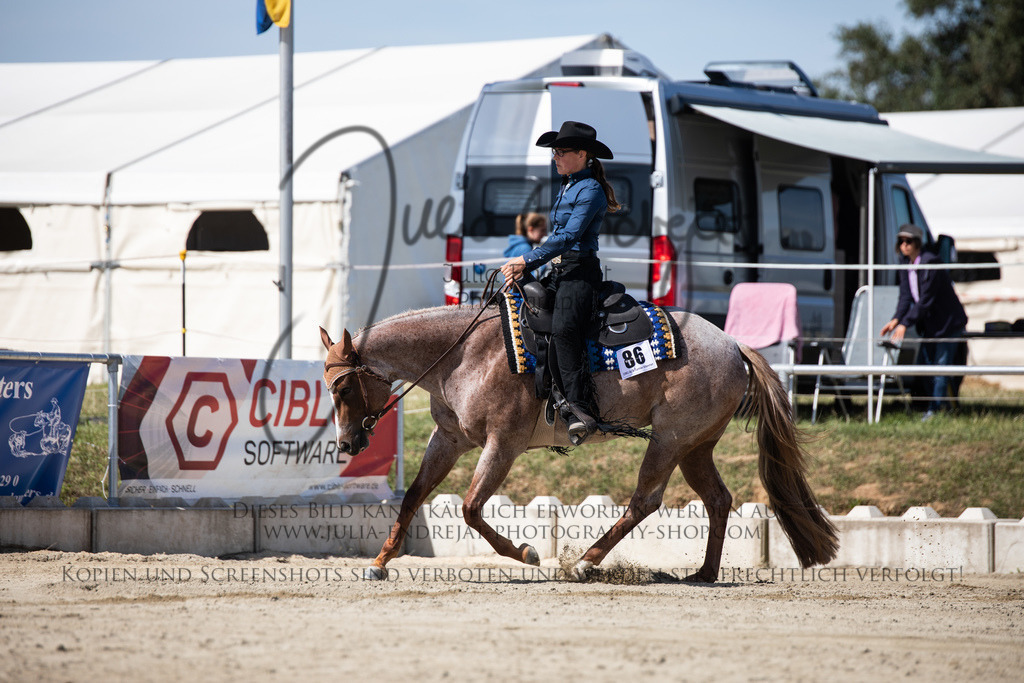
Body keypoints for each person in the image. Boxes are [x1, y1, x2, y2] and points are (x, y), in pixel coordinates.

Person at [500, 120, 619, 445]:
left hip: (581, 273)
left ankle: (581, 411)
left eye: (561, 151)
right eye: (555, 151)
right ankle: (545, 395)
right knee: (525, 313)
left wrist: (526, 259)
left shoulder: (591, 189)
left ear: (582, 154)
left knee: (565, 331)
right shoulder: (567, 185)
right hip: (561, 271)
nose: (555, 157)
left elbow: (568, 236)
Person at [880, 223, 968, 420]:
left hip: (948, 323)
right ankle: (944, 406)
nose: (904, 245)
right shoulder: (906, 265)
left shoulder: (930, 263)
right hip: (931, 325)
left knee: (940, 367)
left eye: (908, 241)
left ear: (917, 243)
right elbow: (905, 297)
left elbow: (926, 301)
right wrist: (896, 320)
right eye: (901, 241)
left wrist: (905, 324)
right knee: (925, 365)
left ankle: (936, 410)